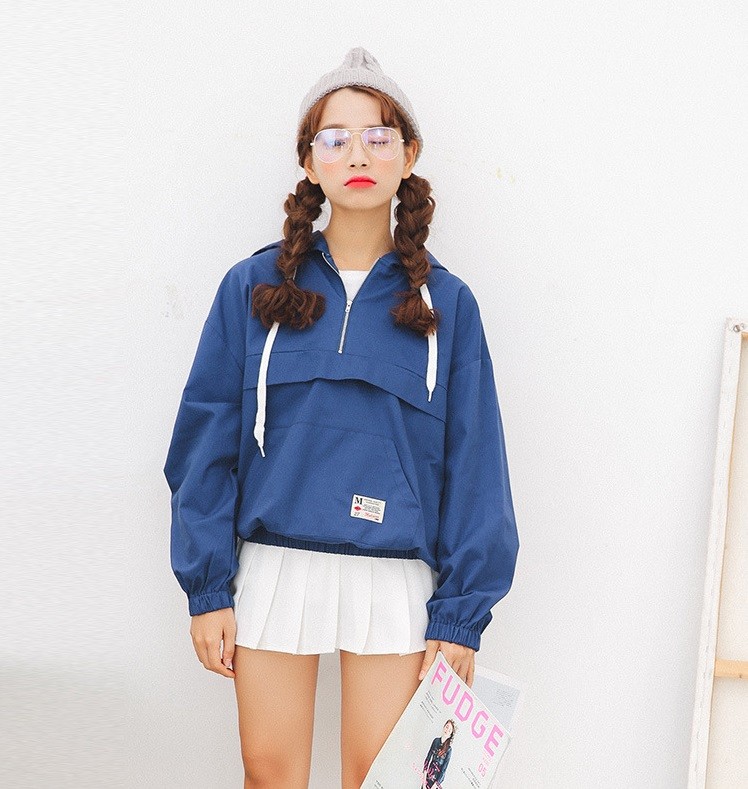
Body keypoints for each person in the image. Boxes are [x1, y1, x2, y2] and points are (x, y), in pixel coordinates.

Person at [163, 46, 519, 788]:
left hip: (393, 575)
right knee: (269, 775)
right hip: (273, 565)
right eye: (336, 137)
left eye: (378, 136)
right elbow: (203, 444)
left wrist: (460, 617)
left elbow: (476, 464)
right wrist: (208, 588)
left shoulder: (448, 305)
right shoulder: (252, 288)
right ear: (309, 160)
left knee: (382, 779)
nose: (358, 154)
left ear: (408, 155)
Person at [422, 719, 456, 788]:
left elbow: (444, 770)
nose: (447, 730)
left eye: (450, 730)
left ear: (450, 735)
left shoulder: (449, 750)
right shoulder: (436, 741)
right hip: (427, 777)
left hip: (435, 783)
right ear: (444, 727)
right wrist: (424, 781)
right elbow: (427, 759)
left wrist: (434, 786)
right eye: (447, 727)